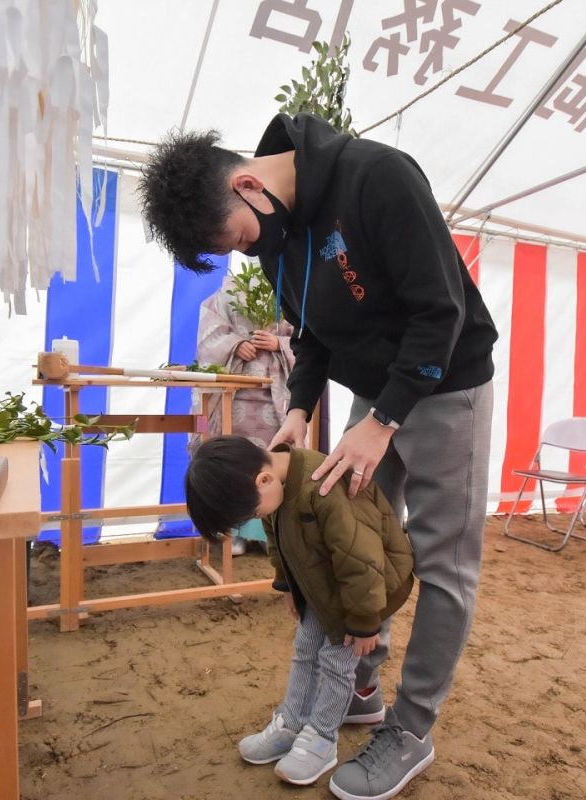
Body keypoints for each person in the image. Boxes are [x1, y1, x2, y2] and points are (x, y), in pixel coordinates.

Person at [140, 112, 497, 800]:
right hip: (374, 396)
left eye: (241, 236)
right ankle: (356, 689)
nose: (249, 253)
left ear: (248, 184)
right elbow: (308, 334)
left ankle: (411, 729)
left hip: (447, 386)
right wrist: (299, 410)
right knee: (354, 534)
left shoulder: (376, 177)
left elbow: (441, 312)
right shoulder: (276, 237)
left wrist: (383, 420)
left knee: (442, 562)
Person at [184, 436, 414, 787]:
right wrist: (287, 585)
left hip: (367, 591)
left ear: (264, 480)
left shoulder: (326, 488)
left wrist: (367, 622)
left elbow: (362, 561)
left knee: (336, 663)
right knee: (306, 650)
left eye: (251, 513)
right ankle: (292, 723)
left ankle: (322, 739)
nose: (256, 518)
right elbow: (278, 540)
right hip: (323, 586)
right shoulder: (274, 486)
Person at [191, 272, 295, 554]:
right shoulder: (224, 296)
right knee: (235, 466)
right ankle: (234, 534)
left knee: (268, 464)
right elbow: (208, 337)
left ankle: (269, 535)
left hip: (275, 397)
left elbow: (307, 340)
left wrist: (279, 344)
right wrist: (235, 344)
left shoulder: (288, 293)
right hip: (235, 396)